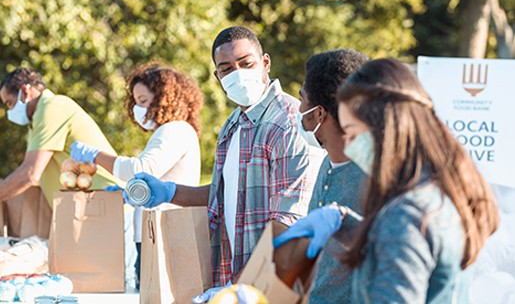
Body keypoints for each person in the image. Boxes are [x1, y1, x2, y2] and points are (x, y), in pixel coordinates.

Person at [275, 58, 499, 303]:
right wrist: (343, 222)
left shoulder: (408, 213)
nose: (348, 145)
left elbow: (401, 239)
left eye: (352, 133)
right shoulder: (436, 190)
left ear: (385, 127)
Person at [127, 26, 324, 301]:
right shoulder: (232, 126)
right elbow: (226, 194)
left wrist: (242, 288)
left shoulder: (288, 123)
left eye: (246, 63)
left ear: (265, 63)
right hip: (233, 281)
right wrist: (171, 192)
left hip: (272, 288)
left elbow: (289, 224)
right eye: (227, 68)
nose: (239, 74)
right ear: (217, 76)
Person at [70, 62, 203, 288]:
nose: (138, 109)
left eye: (143, 101)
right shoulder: (170, 131)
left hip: (166, 234)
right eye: (136, 102)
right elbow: (156, 178)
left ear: (164, 98)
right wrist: (130, 193)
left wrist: (95, 155)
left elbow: (143, 168)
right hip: (155, 233)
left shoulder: (175, 130)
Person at [297, 49, 368, 303]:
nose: (298, 109)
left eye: (301, 99)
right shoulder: (328, 162)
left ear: (319, 113)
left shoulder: (376, 178)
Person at [0, 68, 120, 206]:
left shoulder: (51, 107)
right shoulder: (35, 121)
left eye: (10, 103)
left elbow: (31, 173)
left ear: (25, 92)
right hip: (90, 206)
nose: (10, 111)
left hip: (106, 204)